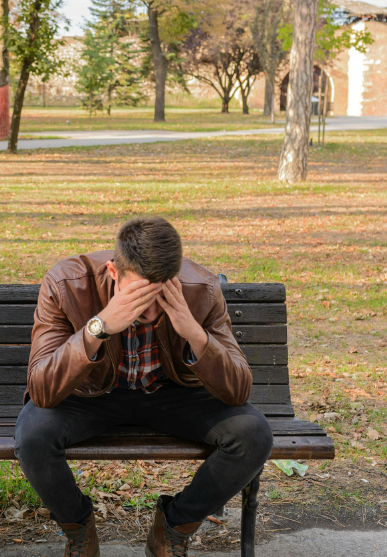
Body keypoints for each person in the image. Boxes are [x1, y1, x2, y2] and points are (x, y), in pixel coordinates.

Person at [14, 217, 271, 557]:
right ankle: (79, 530)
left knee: (253, 435)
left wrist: (193, 331)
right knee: (32, 435)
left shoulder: (202, 289)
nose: (148, 310)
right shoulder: (65, 283)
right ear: (113, 272)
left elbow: (238, 391)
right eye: (137, 295)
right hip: (91, 395)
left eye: (160, 295)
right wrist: (99, 327)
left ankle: (173, 528)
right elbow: (42, 389)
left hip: (171, 393)